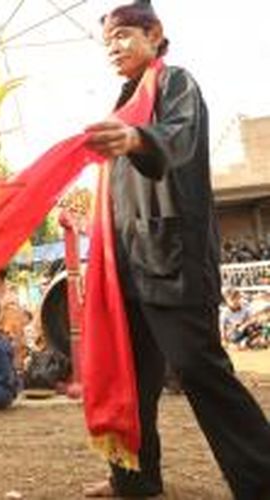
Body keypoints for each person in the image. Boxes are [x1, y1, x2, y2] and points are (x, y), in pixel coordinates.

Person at [82, 1, 270, 498]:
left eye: (123, 35)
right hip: (128, 260)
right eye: (108, 42)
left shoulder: (174, 84)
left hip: (174, 257)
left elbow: (178, 137)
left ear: (155, 34)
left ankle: (261, 477)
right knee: (134, 376)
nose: (114, 48)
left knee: (198, 370)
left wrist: (135, 137)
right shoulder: (124, 101)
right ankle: (134, 479)